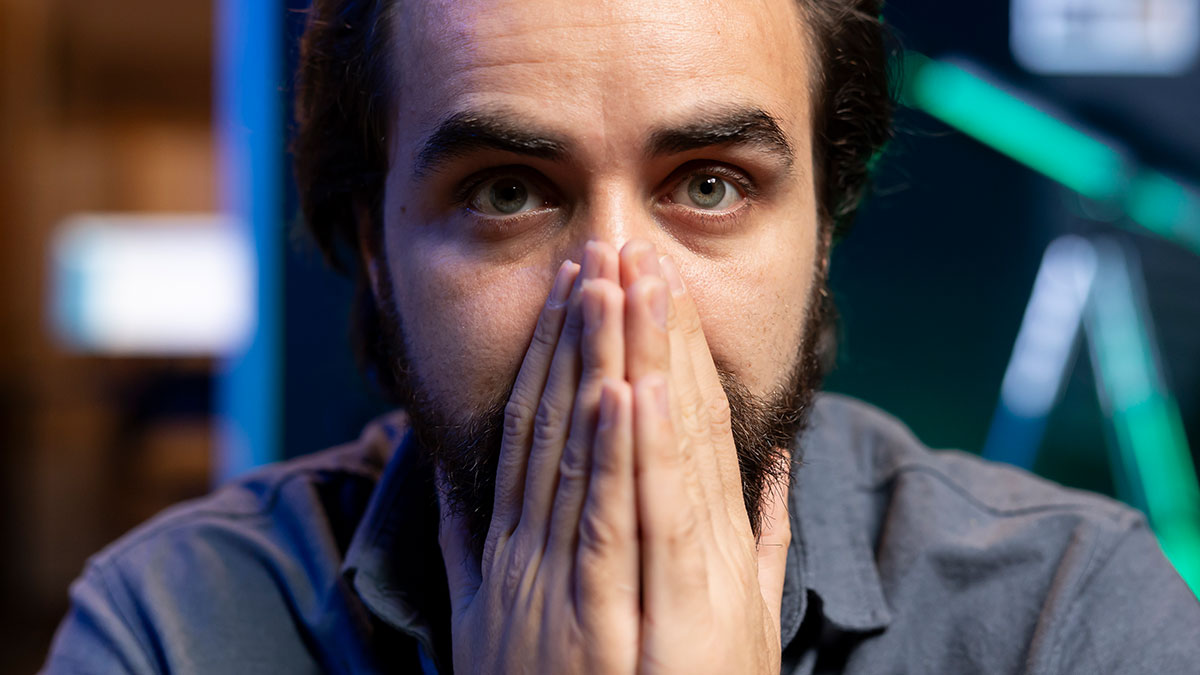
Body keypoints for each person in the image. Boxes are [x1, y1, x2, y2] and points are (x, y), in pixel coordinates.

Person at [43, 0, 1200, 672]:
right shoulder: (176, 628)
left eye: (708, 185)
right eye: (507, 193)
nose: (616, 303)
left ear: (825, 233)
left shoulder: (1071, 618)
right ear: (376, 249)